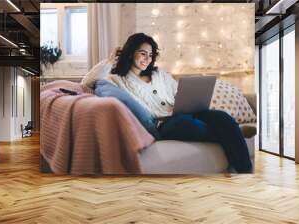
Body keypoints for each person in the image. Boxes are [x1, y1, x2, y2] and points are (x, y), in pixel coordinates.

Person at [82, 33, 252, 173]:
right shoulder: (117, 79)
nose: (147, 59)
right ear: (131, 52)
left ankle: (245, 172)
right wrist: (111, 60)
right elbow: (87, 83)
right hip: (163, 124)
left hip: (184, 111)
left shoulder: (160, 75)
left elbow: (179, 92)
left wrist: (186, 100)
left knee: (222, 117)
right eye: (143, 53)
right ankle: (234, 134)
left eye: (150, 55)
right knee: (190, 125)